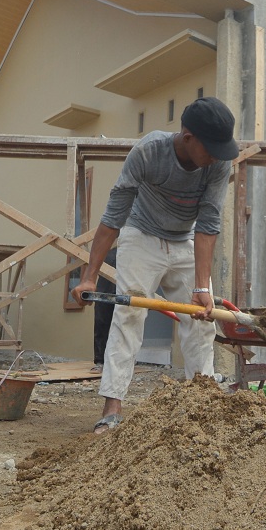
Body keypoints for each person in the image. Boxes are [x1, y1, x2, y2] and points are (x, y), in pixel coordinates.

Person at [71, 96, 239, 433]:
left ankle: (201, 403)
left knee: (200, 318)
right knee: (130, 313)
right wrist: (89, 277)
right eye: (211, 149)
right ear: (188, 138)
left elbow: (208, 223)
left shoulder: (219, 163)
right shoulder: (149, 152)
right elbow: (114, 215)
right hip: (141, 234)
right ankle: (112, 407)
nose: (216, 157)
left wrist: (202, 288)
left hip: (185, 239)